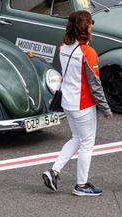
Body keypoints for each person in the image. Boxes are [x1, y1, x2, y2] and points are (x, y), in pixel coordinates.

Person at [42, 10, 111, 197]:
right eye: (90, 24)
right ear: (85, 28)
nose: (92, 26)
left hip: (67, 101)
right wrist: (106, 109)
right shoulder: (88, 53)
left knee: (76, 139)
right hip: (83, 104)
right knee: (87, 143)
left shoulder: (63, 47)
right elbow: (95, 85)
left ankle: (54, 171)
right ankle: (81, 185)